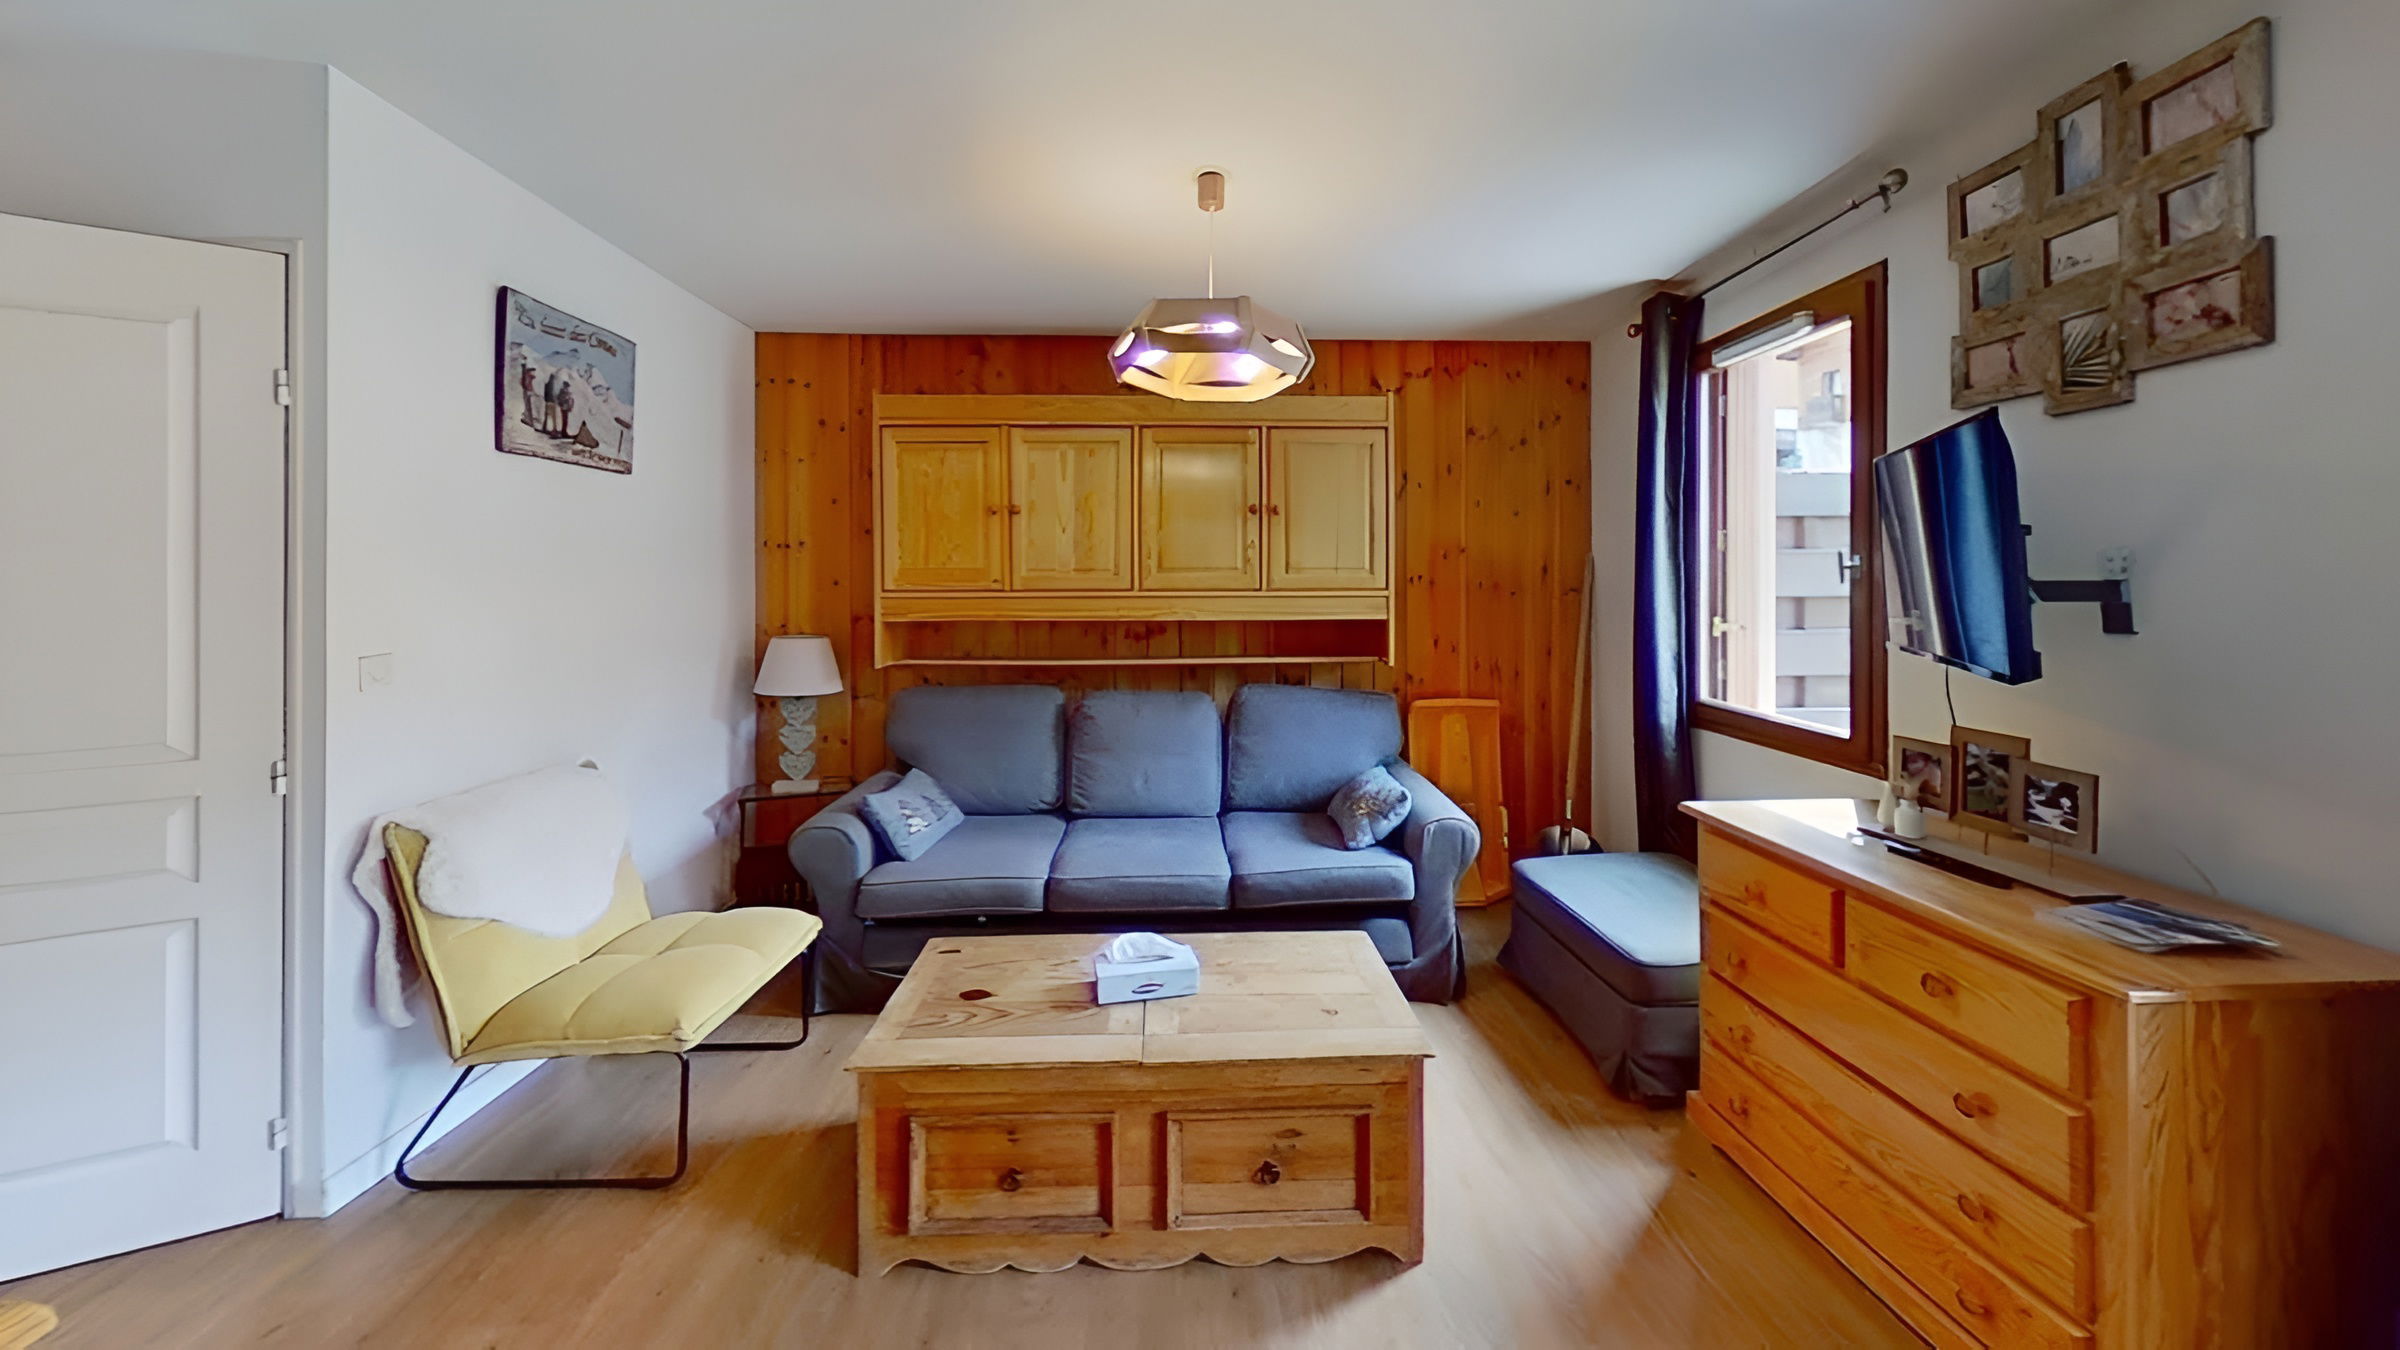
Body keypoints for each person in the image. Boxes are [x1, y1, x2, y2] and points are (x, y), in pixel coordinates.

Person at [518, 362, 538, 427]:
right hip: (528, 391)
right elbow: (533, 377)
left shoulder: (526, 375)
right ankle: (529, 420)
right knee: (528, 406)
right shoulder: (528, 376)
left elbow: (522, 382)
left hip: (527, 391)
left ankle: (529, 420)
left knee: (528, 406)